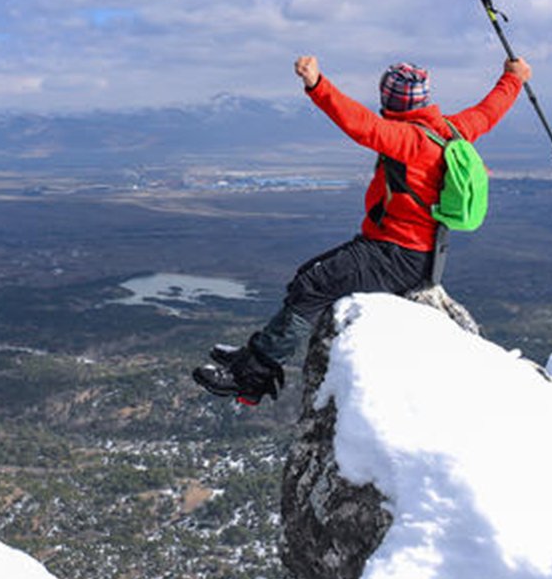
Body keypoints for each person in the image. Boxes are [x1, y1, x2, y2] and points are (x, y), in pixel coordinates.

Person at [192, 54, 530, 405]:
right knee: (309, 276)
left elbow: (359, 123)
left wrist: (317, 84)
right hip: (416, 252)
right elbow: (489, 110)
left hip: (396, 255)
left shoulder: (406, 138)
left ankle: (252, 378)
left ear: (389, 100)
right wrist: (514, 78)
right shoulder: (453, 129)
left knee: (312, 285)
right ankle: (258, 352)